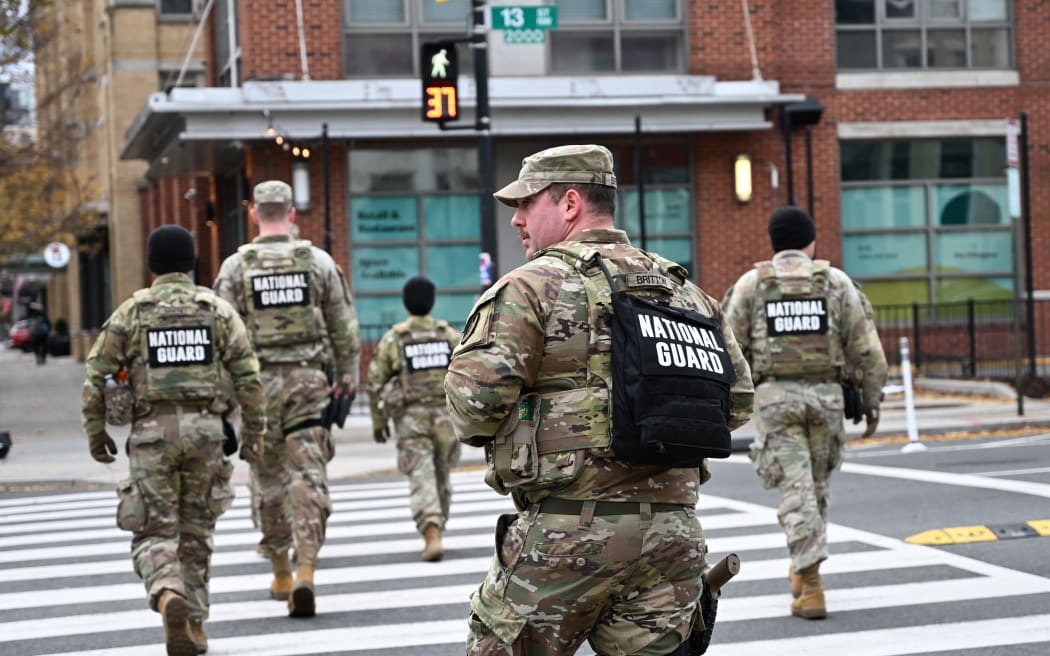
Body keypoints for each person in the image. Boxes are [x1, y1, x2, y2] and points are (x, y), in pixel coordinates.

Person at [444, 144, 755, 655]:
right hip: (672, 540)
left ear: (569, 203)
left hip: (567, 535)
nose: (517, 219)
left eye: (527, 203)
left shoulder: (530, 287)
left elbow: (472, 411)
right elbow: (736, 402)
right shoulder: (686, 293)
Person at [81, 225, 266, 656]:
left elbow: (96, 375)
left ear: (150, 265)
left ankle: (167, 593)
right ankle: (196, 625)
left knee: (153, 530)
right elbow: (249, 377)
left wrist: (96, 431)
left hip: (152, 437)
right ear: (192, 263)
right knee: (197, 532)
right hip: (206, 434)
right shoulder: (217, 311)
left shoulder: (132, 313)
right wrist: (253, 434)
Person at [721, 205, 887, 620]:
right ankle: (803, 567)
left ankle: (810, 583)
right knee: (815, 489)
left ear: (773, 243)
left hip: (776, 400)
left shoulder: (751, 286)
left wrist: (731, 406)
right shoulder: (835, 283)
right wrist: (870, 403)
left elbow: (727, 351)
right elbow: (868, 351)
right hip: (826, 399)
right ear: (810, 242)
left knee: (798, 492)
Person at [213, 179, 361, 618]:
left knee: (268, 477)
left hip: (256, 389)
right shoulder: (317, 262)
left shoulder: (235, 268)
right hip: (307, 386)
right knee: (308, 475)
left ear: (255, 214)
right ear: (292, 213)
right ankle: (307, 570)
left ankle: (279, 569)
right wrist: (347, 381)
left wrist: (224, 400)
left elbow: (223, 337)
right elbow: (344, 326)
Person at [367, 276, 461, 562]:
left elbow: (375, 381)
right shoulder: (449, 336)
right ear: (432, 301)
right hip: (446, 418)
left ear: (405, 304)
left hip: (411, 419)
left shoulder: (396, 339)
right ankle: (437, 525)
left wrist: (379, 421)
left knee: (422, 475)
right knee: (442, 474)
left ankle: (431, 530)